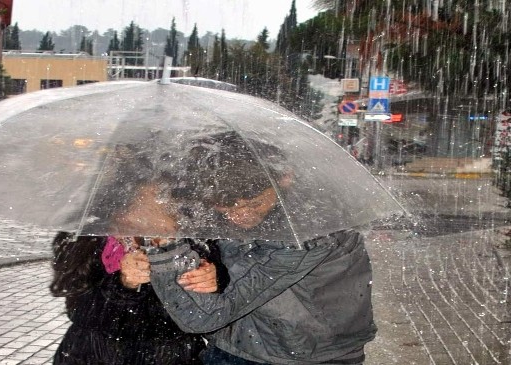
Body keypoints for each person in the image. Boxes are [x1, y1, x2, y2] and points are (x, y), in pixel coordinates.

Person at [144, 132, 376, 364]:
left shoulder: (312, 232)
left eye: (254, 203)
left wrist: (165, 246)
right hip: (237, 345)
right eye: (226, 207)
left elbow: (201, 317)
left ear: (285, 178)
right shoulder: (214, 203)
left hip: (304, 357)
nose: (241, 215)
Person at [50, 181, 229, 365]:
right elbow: (79, 308)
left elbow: (202, 314)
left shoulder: (192, 241)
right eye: (140, 205)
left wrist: (216, 279)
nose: (151, 217)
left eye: (163, 206)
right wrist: (123, 285)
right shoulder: (85, 239)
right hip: (93, 355)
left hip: (172, 357)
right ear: (117, 209)